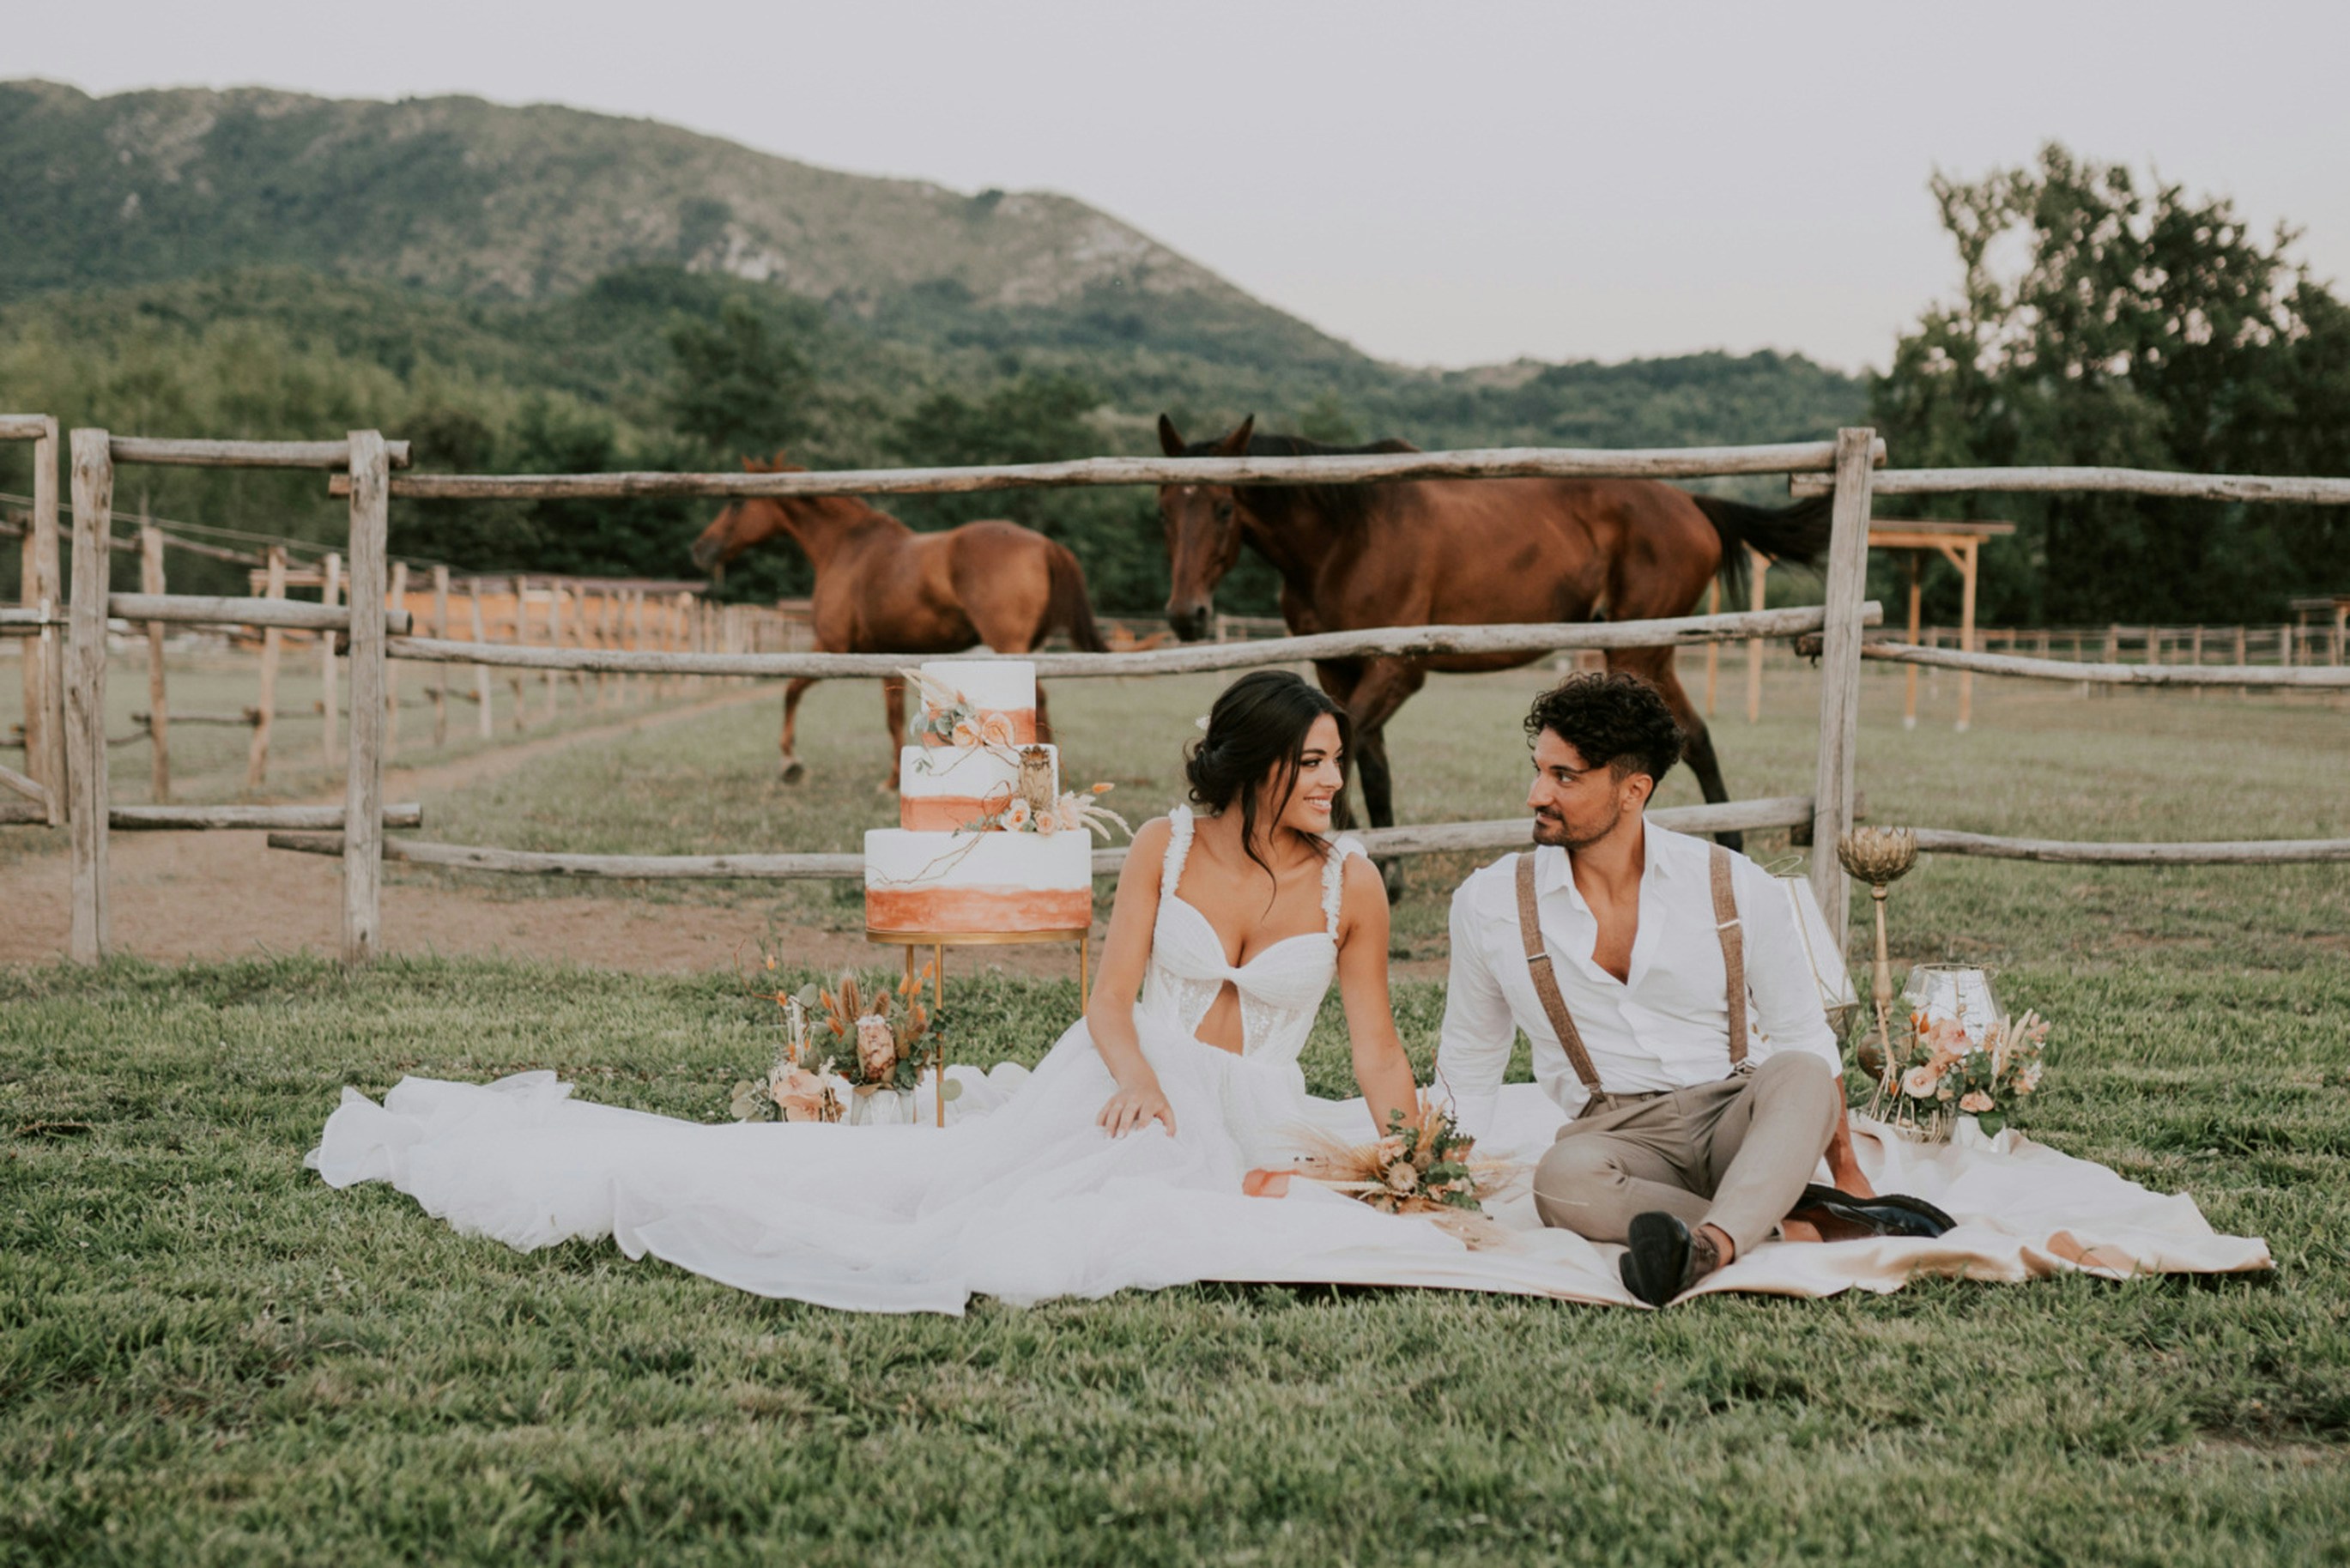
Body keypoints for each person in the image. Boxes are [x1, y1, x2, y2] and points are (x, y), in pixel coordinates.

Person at [311, 670, 1563, 1313]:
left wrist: (1410, 1147)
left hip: (1257, 1101)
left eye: (1335, 764)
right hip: (1127, 1082)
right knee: (959, 1211)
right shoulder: (1162, 850)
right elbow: (1112, 998)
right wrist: (1135, 1078)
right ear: (1251, 763)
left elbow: (1375, 1044)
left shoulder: (1351, 883)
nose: (1329, 784)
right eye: (1311, 763)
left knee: (1245, 1205)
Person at [1437, 672, 1950, 1307]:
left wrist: (1849, 1170)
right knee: (1559, 1181)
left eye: (1564, 776)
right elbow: (1471, 1055)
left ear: (1633, 790)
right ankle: (1793, 1221)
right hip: (1618, 1136)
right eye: (1540, 769)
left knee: (1801, 1074)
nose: (1537, 792)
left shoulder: (1734, 883)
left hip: (1734, 1113)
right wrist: (1435, 1170)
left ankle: (1709, 1240)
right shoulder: (1489, 903)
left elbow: (1802, 1034)